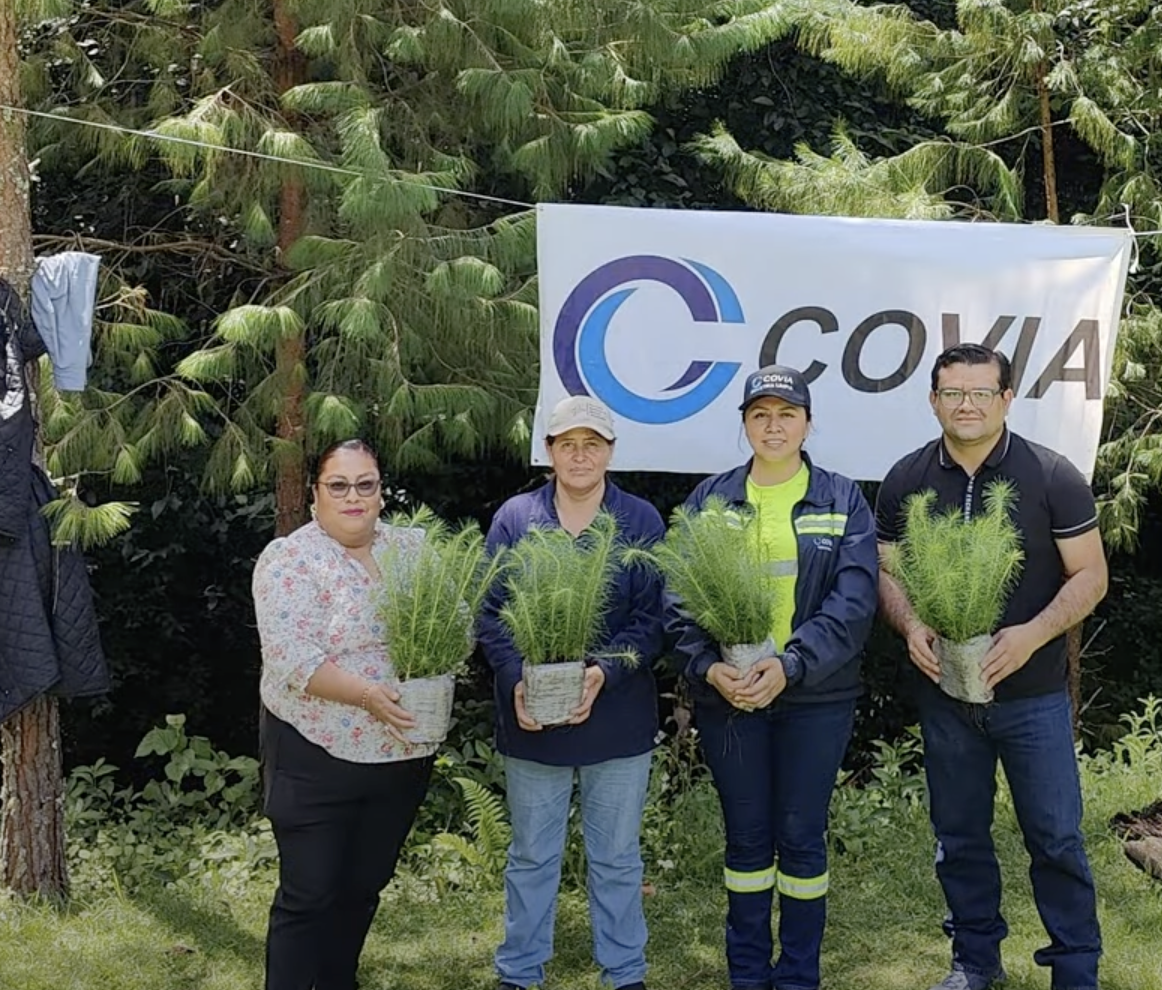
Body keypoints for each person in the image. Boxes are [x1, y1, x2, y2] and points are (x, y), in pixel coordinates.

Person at [875, 343, 1110, 990]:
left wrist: (1033, 635)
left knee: (1056, 838)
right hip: (947, 698)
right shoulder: (907, 479)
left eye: (981, 392)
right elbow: (886, 570)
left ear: (1007, 399)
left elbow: (1092, 576)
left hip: (1032, 697)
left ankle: (1075, 969)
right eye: (953, 393)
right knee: (959, 837)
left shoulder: (1052, 475)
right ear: (933, 401)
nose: (967, 404)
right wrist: (912, 623)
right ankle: (975, 963)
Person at [669, 366, 878, 990]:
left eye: (787, 413)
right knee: (748, 838)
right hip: (729, 699)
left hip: (816, 697)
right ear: (744, 424)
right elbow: (677, 599)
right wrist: (708, 668)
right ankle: (747, 975)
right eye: (760, 414)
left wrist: (790, 665)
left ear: (808, 424)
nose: (774, 425)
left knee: (802, 837)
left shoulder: (843, 499)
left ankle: (799, 977)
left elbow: (854, 602)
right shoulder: (711, 499)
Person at [477, 395, 668, 990]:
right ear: (549, 452)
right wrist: (515, 682)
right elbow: (491, 614)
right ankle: (520, 970)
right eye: (567, 444)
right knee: (533, 854)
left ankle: (624, 971)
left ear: (610, 451)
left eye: (592, 444)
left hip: (618, 719)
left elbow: (654, 622)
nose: (580, 455)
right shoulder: (515, 518)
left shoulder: (640, 520)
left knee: (616, 858)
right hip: (533, 720)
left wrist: (601, 673)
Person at [254, 439, 438, 990]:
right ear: (315, 495)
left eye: (366, 484)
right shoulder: (290, 558)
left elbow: (453, 622)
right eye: (338, 485)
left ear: (382, 493)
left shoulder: (415, 550)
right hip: (314, 753)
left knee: (363, 888)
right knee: (309, 894)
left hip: (401, 753)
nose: (353, 496)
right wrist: (366, 695)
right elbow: (291, 656)